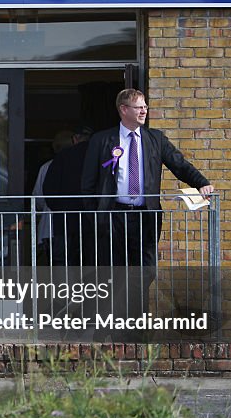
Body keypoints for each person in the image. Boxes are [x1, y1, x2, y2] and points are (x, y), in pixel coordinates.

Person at [81, 89, 214, 320]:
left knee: (146, 270)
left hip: (145, 216)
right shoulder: (102, 140)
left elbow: (180, 165)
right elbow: (88, 183)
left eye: (145, 106)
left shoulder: (156, 139)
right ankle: (111, 325)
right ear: (123, 110)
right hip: (114, 216)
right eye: (138, 107)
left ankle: (134, 321)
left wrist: (202, 183)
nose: (144, 110)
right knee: (113, 272)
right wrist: (96, 215)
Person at [42, 124, 93, 266]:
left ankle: (65, 289)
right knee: (91, 264)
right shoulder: (99, 156)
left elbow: (49, 190)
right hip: (92, 222)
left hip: (64, 221)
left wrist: (58, 209)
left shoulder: (62, 157)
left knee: (63, 264)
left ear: (75, 139)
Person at [32, 129, 75, 262]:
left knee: (57, 266)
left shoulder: (47, 167)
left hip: (50, 226)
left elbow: (38, 197)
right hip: (75, 225)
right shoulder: (82, 165)